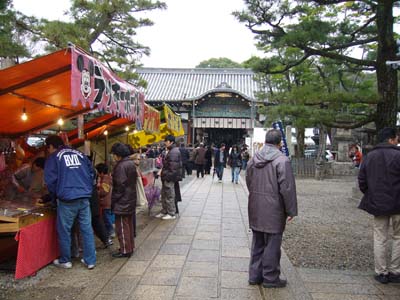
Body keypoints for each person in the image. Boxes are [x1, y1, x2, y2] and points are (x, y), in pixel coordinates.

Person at [246, 129, 297, 288]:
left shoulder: (254, 159)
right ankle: (270, 277)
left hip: (256, 204)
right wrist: (291, 210)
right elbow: (287, 188)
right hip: (274, 208)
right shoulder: (282, 161)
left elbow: (249, 180)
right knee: (273, 244)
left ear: (265, 141)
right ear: (279, 142)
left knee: (258, 242)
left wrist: (255, 195)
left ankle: (255, 275)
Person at [44, 135, 96, 269]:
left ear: (50, 146)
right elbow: (92, 173)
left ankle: (65, 260)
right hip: (84, 197)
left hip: (66, 198)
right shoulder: (80, 154)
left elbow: (51, 181)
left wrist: (54, 196)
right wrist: (87, 188)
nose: (48, 151)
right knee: (86, 229)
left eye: (47, 148)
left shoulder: (54, 157)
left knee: (64, 230)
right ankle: (90, 260)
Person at [358, 127, 400, 284]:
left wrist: (371, 194)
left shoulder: (370, 156)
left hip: (378, 203)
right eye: (397, 138)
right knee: (398, 237)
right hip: (398, 203)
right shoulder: (398, 155)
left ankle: (381, 271)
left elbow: (362, 180)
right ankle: (396, 271)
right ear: (391, 139)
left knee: (380, 237)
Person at [110, 142, 137, 258]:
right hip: (130, 198)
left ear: (118, 155)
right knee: (128, 225)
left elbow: (119, 186)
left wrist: (114, 200)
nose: (113, 157)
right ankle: (129, 247)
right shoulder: (130, 163)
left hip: (123, 201)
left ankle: (125, 250)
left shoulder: (120, 166)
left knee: (121, 226)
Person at [156, 135, 182, 220]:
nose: (165, 143)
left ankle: (171, 213)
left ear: (171, 142)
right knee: (164, 194)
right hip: (166, 176)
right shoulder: (171, 150)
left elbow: (173, 168)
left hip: (169, 177)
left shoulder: (173, 152)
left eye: (166, 141)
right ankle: (165, 211)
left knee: (169, 195)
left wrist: (167, 176)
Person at [95, 163, 115, 239]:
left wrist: (97, 192)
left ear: (102, 173)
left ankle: (111, 231)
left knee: (106, 218)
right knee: (109, 217)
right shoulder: (109, 178)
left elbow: (104, 191)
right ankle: (111, 229)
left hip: (106, 202)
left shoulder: (105, 179)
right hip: (110, 201)